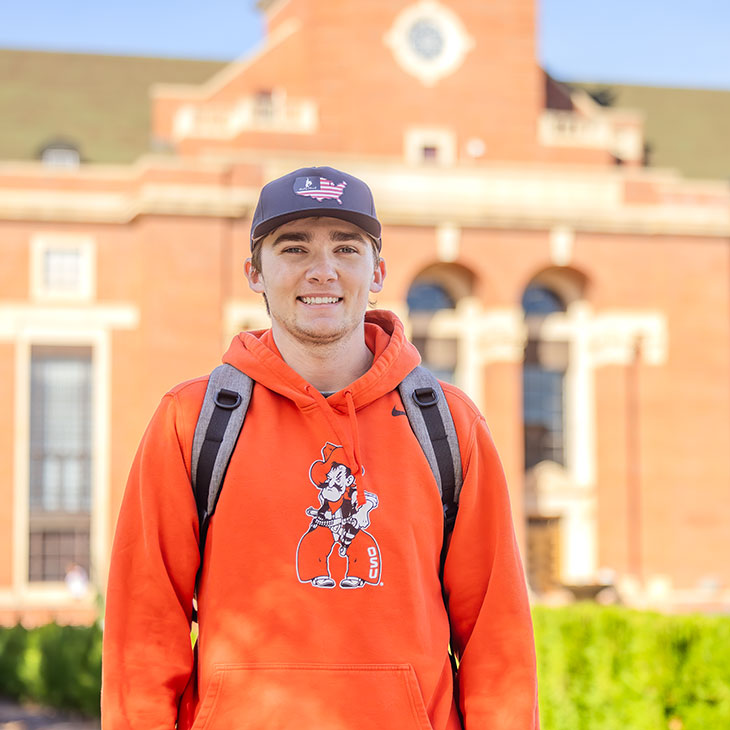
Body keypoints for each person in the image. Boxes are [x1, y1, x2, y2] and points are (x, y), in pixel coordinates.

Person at [102, 166, 540, 729]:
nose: (322, 270)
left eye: (346, 248)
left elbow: (496, 637)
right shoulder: (193, 420)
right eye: (294, 248)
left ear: (377, 269)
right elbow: (143, 630)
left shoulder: (449, 424)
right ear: (255, 272)